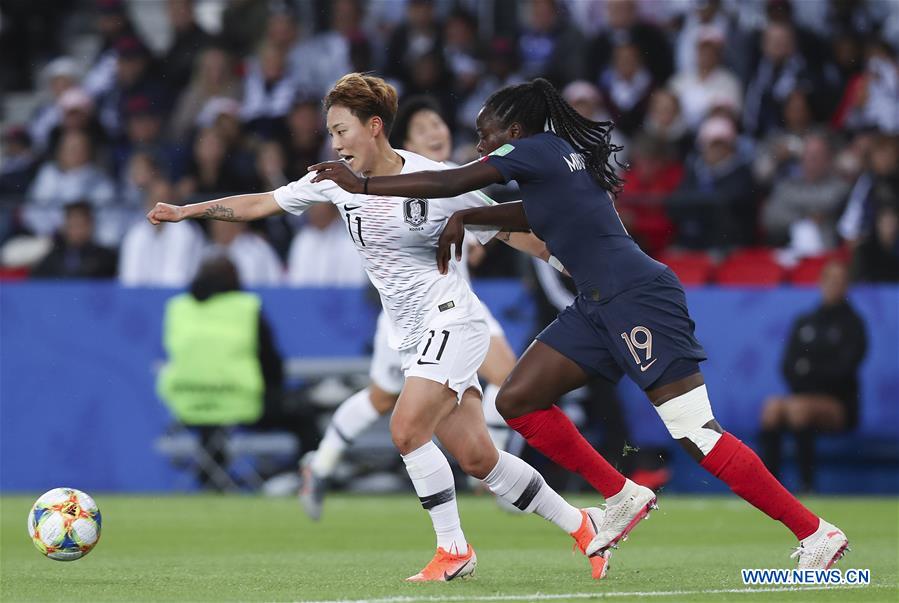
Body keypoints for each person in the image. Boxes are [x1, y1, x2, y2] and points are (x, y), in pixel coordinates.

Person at [310, 77, 851, 571]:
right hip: (596, 305)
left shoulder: (531, 148)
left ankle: (815, 533)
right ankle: (622, 495)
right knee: (516, 399)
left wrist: (362, 189)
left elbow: (452, 180)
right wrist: (467, 217)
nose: (480, 146)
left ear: (513, 131)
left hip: (636, 298)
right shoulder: (554, 160)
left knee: (695, 434)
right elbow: (530, 214)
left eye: (485, 135)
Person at [148, 73, 612, 581]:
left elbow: (506, 227)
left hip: (453, 318)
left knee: (406, 428)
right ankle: (584, 525)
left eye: (342, 130)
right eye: (330, 132)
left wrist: (572, 260)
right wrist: (186, 211)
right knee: (479, 458)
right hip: (410, 336)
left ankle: (453, 551)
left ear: (373, 127)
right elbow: (261, 202)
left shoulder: (434, 179)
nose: (334, 142)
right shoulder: (331, 182)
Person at [300, 96, 521, 520]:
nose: (436, 133)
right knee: (383, 399)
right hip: (409, 316)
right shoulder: (394, 182)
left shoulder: (453, 180)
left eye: (439, 123)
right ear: (404, 142)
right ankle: (321, 464)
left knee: (507, 379)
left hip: (457, 305)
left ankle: (488, 475)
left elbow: (482, 232)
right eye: (423, 129)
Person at [157, 256, 321, 490]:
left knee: (211, 422)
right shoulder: (245, 307)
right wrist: (275, 388)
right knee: (302, 412)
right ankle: (309, 480)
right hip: (242, 403)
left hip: (188, 404)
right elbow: (270, 362)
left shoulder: (178, 307)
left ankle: (212, 482)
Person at [759, 261, 868, 493]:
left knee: (800, 409)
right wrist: (811, 372)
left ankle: (806, 486)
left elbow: (844, 370)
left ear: (846, 286)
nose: (834, 286)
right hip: (801, 397)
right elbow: (788, 366)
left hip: (840, 404)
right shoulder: (805, 321)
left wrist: (808, 370)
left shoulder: (853, 324)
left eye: (839, 282)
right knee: (771, 408)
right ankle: (768, 489)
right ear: (821, 284)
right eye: (829, 281)